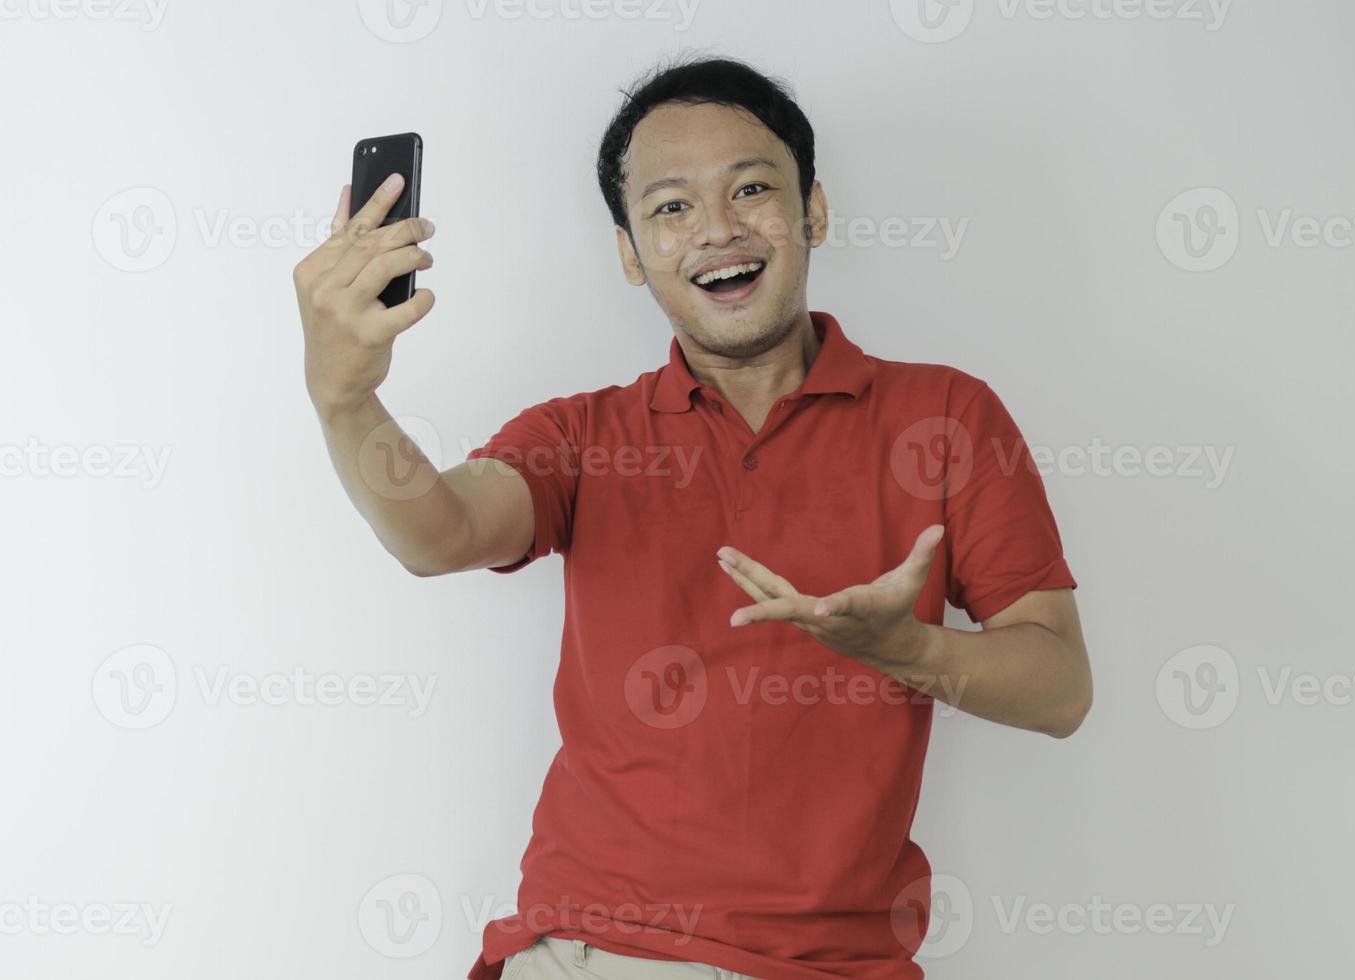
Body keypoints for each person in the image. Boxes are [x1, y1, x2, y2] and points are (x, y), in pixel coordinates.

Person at [292, 54, 1092, 980]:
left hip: (837, 965)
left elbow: (1060, 689)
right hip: (596, 952)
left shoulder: (947, 418)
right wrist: (346, 400)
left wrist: (908, 649)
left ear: (813, 212)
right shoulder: (583, 435)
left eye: (751, 188)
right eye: (670, 207)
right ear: (630, 254)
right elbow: (441, 534)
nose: (716, 228)